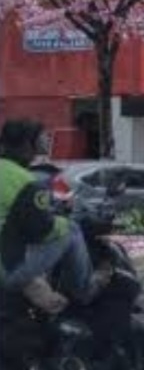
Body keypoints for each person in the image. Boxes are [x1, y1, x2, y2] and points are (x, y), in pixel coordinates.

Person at [0, 120, 106, 316]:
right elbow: (43, 231)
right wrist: (61, 221)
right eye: (41, 137)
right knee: (72, 229)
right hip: (7, 270)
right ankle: (85, 291)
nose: (47, 140)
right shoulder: (25, 180)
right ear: (27, 144)